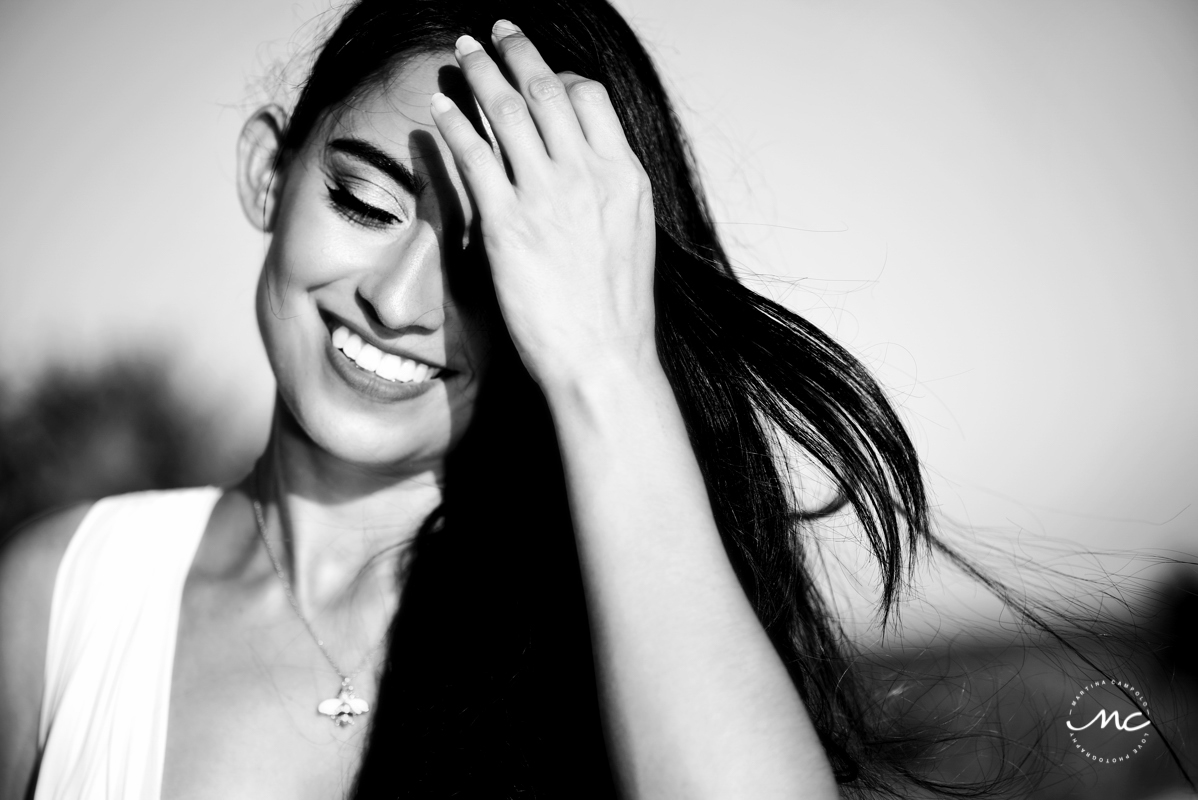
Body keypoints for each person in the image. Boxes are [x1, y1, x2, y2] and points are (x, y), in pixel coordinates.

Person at [0, 1, 971, 797]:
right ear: (268, 170)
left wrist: (606, 363)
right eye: (365, 204)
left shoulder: (606, 633)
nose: (396, 301)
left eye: (486, 263)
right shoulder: (64, 594)